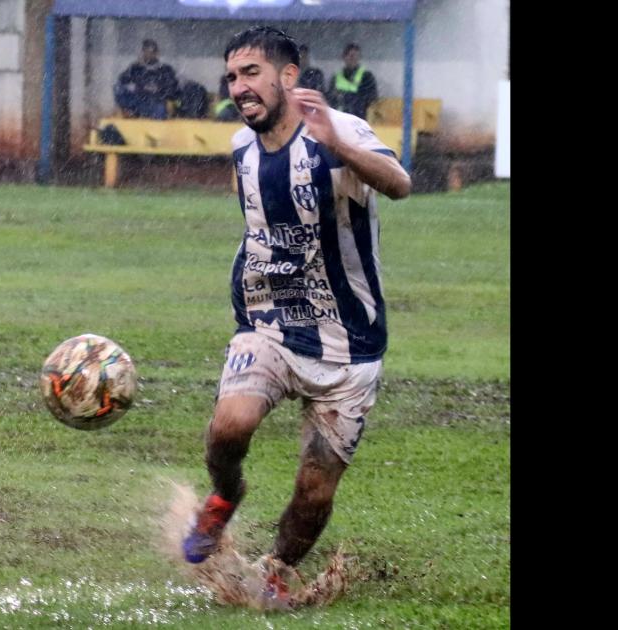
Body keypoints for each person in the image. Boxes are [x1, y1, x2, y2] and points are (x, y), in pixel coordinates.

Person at [181, 26, 410, 606]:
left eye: (251, 73)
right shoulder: (240, 147)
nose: (239, 87)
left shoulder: (341, 130)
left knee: (314, 489)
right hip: (270, 324)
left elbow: (400, 184)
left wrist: (340, 143)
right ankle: (225, 496)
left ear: (288, 77)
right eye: (232, 77)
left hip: (350, 342)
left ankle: (278, 569)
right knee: (229, 428)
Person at [113, 39, 179, 119]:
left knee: (160, 110)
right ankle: (131, 113)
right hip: (138, 102)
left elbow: (172, 89)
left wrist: (159, 93)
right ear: (142, 52)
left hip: (156, 103)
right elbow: (122, 81)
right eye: (146, 51)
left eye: (152, 52)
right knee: (118, 88)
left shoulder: (165, 69)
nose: (149, 54)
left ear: (157, 53)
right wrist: (135, 88)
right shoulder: (135, 68)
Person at [327, 43, 378, 120]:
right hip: (339, 119)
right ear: (344, 57)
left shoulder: (366, 76)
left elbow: (371, 98)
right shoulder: (336, 77)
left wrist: (344, 96)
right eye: (351, 56)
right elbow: (330, 98)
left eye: (357, 56)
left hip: (358, 119)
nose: (354, 59)